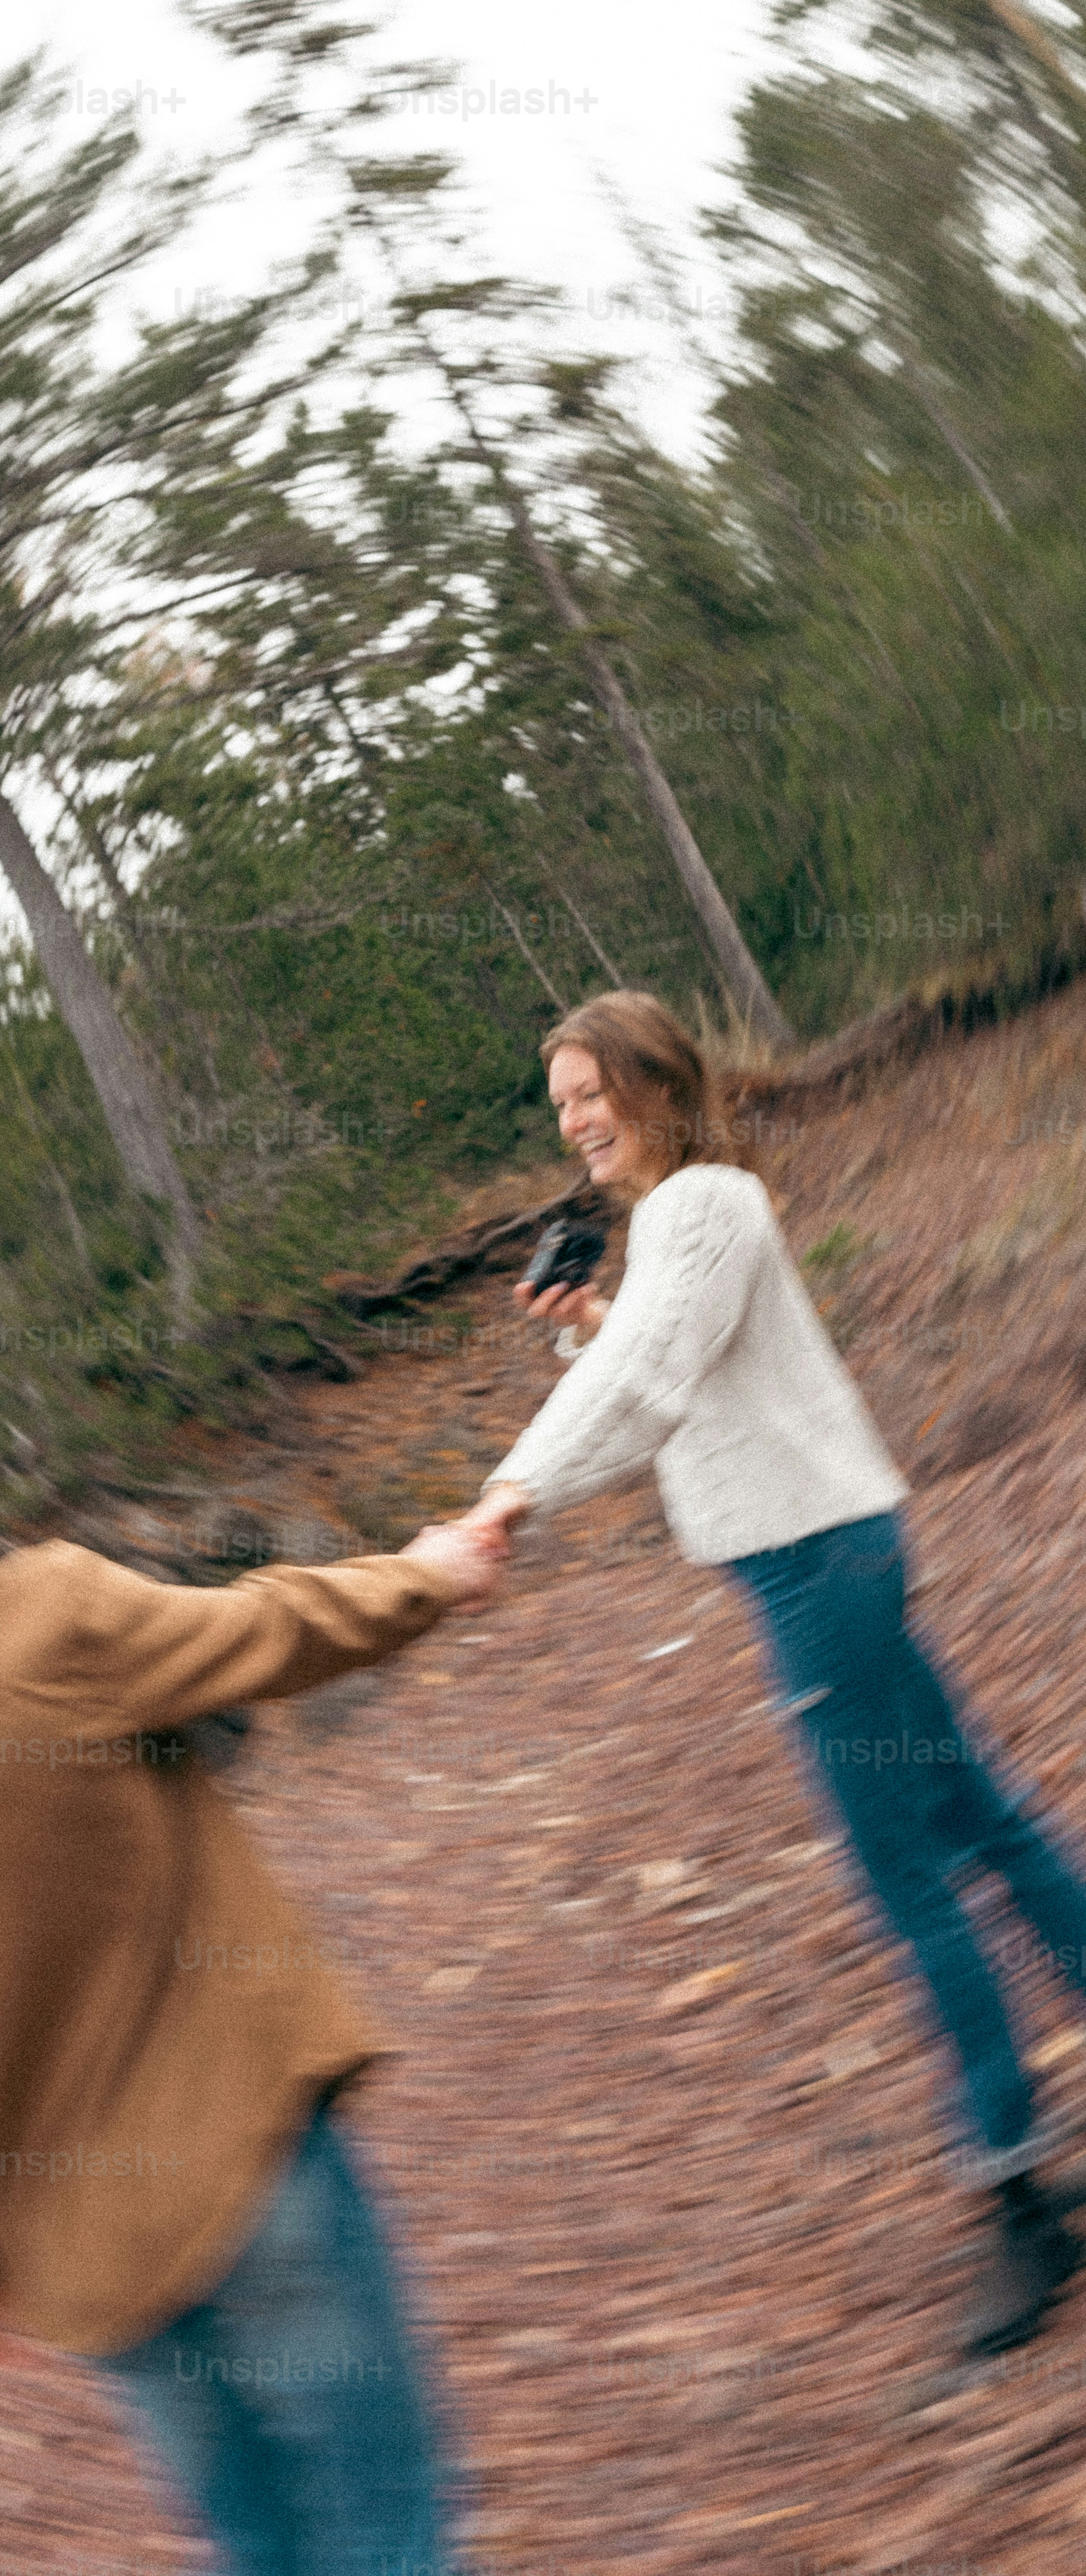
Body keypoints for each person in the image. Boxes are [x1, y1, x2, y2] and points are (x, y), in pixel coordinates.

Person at [0, 1342, 502, 2574]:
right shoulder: (43, 1615)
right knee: (395, 2541)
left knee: (262, 2550)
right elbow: (272, 1630)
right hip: (250, 2171)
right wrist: (427, 1577)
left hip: (82, 2265)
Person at [459, 988, 1086, 2360]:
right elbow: (669, 1372)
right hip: (832, 1556)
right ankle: (1023, 2168)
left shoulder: (700, 1204)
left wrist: (507, 1495)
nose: (573, 1124)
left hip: (818, 1574)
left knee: (910, 1884)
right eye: (559, 1105)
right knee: (978, 1819)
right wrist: (592, 1325)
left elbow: (649, 1379)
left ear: (654, 1084)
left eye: (590, 1094)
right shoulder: (700, 1213)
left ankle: (1020, 2201)